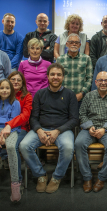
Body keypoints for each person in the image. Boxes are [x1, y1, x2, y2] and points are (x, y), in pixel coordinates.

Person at [20, 63, 78, 194]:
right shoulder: (40, 94)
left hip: (62, 130)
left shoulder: (70, 94)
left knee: (68, 147)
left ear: (63, 77)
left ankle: (57, 177)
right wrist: (39, 131)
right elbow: (33, 117)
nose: (55, 77)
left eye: (58, 74)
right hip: (42, 128)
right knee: (24, 145)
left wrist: (57, 131)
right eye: (52, 74)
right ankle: (41, 175)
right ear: (47, 77)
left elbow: (74, 119)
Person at [0, 71, 32, 199]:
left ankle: (17, 181)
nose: (15, 82)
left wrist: (9, 125)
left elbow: (25, 116)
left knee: (13, 146)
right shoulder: (0, 95)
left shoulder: (26, 96)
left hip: (20, 129)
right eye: (13, 79)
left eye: (18, 80)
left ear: (22, 83)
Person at [75, 71, 107, 193]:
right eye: (100, 80)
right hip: (89, 128)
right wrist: (89, 126)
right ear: (95, 82)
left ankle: (101, 178)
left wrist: (104, 129)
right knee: (79, 143)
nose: (103, 83)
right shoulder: (88, 96)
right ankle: (87, 177)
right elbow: (82, 114)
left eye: (106, 80)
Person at [57, 33, 93, 107]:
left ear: (80, 45)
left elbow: (89, 78)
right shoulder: (60, 60)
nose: (74, 44)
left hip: (82, 99)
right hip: (64, 98)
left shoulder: (86, 59)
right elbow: (57, 79)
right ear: (67, 44)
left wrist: (82, 93)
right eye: (71, 42)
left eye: (76, 43)